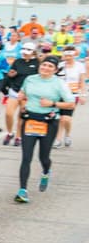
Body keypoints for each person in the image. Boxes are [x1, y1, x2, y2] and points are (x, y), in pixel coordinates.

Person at [13, 56, 75, 203]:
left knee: (43, 157)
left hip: (49, 122)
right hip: (30, 120)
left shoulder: (59, 84)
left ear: (55, 70)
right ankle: (23, 190)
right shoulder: (30, 79)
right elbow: (23, 94)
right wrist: (21, 99)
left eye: (50, 66)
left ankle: (46, 172)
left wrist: (52, 103)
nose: (46, 68)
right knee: (26, 157)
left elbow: (71, 104)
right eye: (44, 64)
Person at [3, 43, 40, 146]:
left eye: (27, 51)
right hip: (15, 91)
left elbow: (39, 79)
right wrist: (10, 76)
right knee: (8, 113)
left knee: (22, 116)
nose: (24, 53)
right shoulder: (18, 61)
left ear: (33, 52)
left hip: (28, 94)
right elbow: (10, 74)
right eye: (23, 51)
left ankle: (18, 136)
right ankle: (10, 133)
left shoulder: (37, 63)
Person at [55, 46, 83, 148]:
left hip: (73, 95)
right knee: (60, 118)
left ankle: (67, 135)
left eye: (69, 55)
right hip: (60, 94)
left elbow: (82, 81)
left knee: (66, 118)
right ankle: (58, 139)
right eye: (66, 54)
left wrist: (82, 94)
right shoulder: (60, 65)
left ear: (74, 54)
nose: (67, 56)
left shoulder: (79, 66)